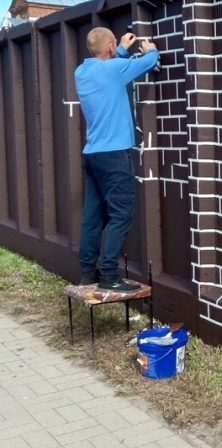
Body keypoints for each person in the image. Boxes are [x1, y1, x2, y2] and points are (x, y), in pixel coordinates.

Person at [75, 27, 160, 292]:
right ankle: (109, 276)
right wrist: (151, 49)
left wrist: (120, 49)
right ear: (110, 47)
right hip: (114, 156)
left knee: (93, 215)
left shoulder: (82, 72)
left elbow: (110, 67)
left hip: (93, 154)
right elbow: (148, 62)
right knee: (122, 213)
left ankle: (88, 273)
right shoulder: (113, 70)